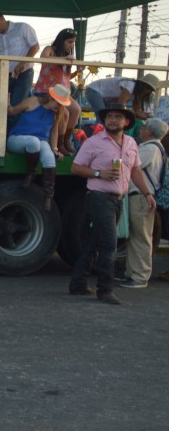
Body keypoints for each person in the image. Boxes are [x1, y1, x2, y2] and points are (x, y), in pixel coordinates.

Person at [69, 104, 156, 304]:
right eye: (109, 116)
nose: (113, 120)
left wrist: (147, 193)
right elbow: (76, 167)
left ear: (126, 122)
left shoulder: (132, 143)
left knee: (93, 243)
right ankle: (105, 290)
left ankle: (78, 284)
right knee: (109, 245)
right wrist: (100, 173)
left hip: (118, 199)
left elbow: (135, 171)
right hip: (98, 197)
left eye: (118, 117)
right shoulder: (93, 142)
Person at [119, 117, 168, 289]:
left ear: (151, 132)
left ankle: (139, 277)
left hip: (141, 196)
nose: (141, 129)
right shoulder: (155, 149)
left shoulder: (150, 149)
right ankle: (131, 273)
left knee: (141, 238)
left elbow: (129, 164)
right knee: (135, 238)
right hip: (140, 197)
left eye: (144, 127)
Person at [7, 84, 72, 210]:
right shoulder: (33, 101)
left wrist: (55, 149)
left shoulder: (57, 113)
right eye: (58, 103)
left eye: (61, 104)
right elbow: (12, 112)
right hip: (17, 138)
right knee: (34, 141)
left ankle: (48, 195)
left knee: (49, 156)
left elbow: (54, 131)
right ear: (51, 98)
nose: (59, 106)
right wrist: (7, 103)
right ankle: (31, 173)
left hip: (38, 142)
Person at [34, 28, 83, 154]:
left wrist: (77, 72)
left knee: (76, 110)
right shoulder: (50, 49)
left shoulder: (68, 57)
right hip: (47, 89)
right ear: (61, 41)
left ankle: (66, 140)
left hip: (61, 91)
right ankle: (59, 144)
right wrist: (63, 59)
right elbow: (43, 57)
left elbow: (64, 77)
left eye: (73, 43)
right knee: (65, 114)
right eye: (69, 42)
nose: (71, 45)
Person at [0, 9, 39, 111]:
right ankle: (5, 127)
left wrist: (23, 62)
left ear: (2, 19)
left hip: (24, 73)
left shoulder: (22, 28)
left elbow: (35, 46)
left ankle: (13, 126)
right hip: (5, 75)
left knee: (16, 105)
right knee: (2, 104)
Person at [83, 74, 159, 124]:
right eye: (147, 87)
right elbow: (120, 105)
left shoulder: (136, 94)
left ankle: (101, 136)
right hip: (94, 90)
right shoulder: (130, 85)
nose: (148, 91)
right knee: (103, 116)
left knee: (106, 117)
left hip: (100, 94)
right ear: (141, 84)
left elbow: (137, 110)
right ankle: (98, 138)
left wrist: (140, 114)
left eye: (150, 90)